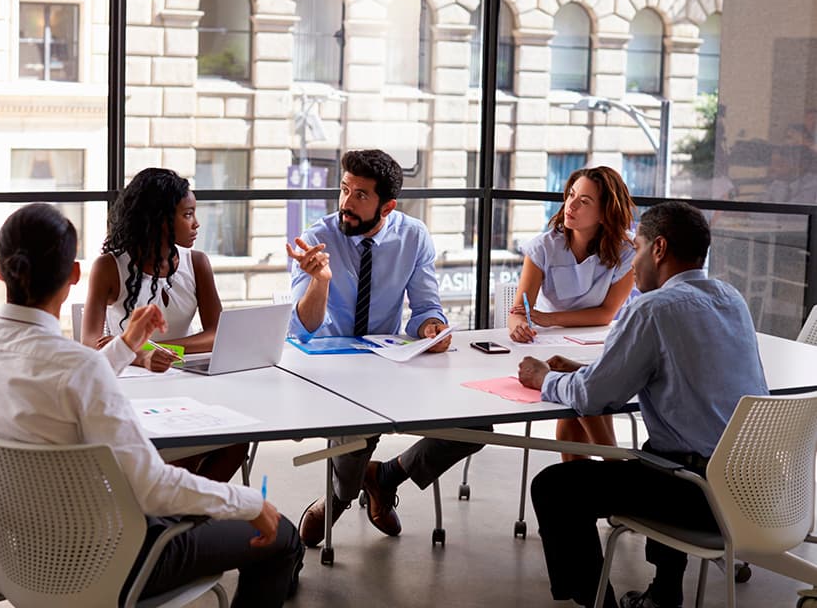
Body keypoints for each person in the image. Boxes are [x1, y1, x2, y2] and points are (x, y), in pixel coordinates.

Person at [0, 203, 304, 607]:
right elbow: (152, 489)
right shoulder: (77, 367)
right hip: (111, 561)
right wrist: (250, 502)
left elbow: (62, 378)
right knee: (283, 537)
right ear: (74, 276)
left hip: (23, 558)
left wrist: (125, 346)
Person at [518, 201, 768, 608]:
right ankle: (664, 593)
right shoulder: (730, 298)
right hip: (752, 485)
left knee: (556, 487)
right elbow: (682, 372)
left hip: (699, 494)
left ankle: (598, 603)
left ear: (660, 249)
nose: (632, 262)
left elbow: (592, 397)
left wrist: (543, 378)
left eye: (637, 248)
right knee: (659, 455)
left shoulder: (653, 307)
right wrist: (594, 368)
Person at [287, 149, 486, 547]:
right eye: (344, 190)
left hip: (387, 360)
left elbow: (426, 309)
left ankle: (387, 475)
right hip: (329, 366)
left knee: (476, 425)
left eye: (360, 195)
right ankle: (338, 500)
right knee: (355, 428)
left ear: (388, 205)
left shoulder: (413, 236)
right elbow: (302, 327)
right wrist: (320, 281)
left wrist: (433, 327)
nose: (346, 202)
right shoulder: (315, 239)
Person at [82, 167, 248, 483]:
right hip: (132, 387)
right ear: (160, 219)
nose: (197, 223)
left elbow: (218, 334)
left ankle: (182, 519)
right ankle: (176, 517)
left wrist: (160, 349)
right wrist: (141, 355)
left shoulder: (196, 262)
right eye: (187, 214)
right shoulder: (109, 267)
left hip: (186, 383)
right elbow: (90, 344)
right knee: (184, 447)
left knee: (238, 441)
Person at [508, 166, 635, 461]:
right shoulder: (544, 247)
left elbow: (605, 314)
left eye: (584, 201)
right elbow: (519, 311)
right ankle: (613, 468)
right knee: (578, 403)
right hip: (553, 347)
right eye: (571, 196)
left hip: (600, 344)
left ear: (605, 213)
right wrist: (518, 325)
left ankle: (608, 472)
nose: (571, 206)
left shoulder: (627, 250)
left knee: (579, 398)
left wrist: (548, 319)